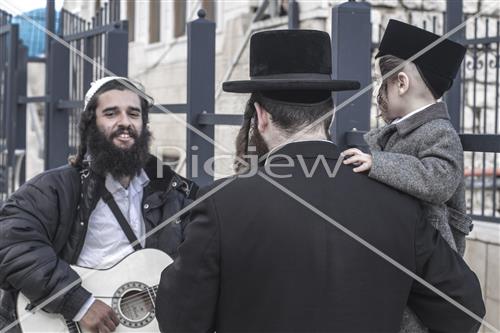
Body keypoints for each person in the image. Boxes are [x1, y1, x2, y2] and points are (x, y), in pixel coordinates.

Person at [155, 30, 485, 332]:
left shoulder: (220, 204)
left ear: (261, 117)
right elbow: (465, 311)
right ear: (329, 115)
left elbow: (179, 320)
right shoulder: (401, 204)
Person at [0, 76, 197, 333]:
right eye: (111, 113)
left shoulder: (175, 192)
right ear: (91, 125)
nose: (124, 122)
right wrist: (77, 303)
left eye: (133, 113)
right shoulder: (56, 187)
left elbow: (206, 256)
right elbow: (10, 241)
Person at [341, 20, 471, 332]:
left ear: (401, 83)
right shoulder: (402, 130)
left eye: (380, 84)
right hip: (399, 253)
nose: (378, 94)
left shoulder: (439, 132)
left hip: (428, 263)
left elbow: (438, 180)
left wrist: (378, 164)